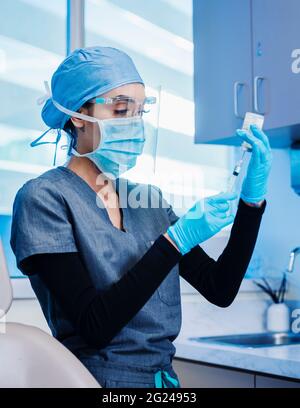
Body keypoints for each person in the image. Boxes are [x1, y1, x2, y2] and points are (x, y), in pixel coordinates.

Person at [10, 46, 272, 388]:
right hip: (93, 380)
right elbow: (95, 326)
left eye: (140, 112)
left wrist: (251, 206)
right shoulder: (43, 198)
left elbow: (219, 289)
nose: (135, 126)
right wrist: (173, 242)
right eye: (121, 110)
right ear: (77, 115)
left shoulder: (148, 201)